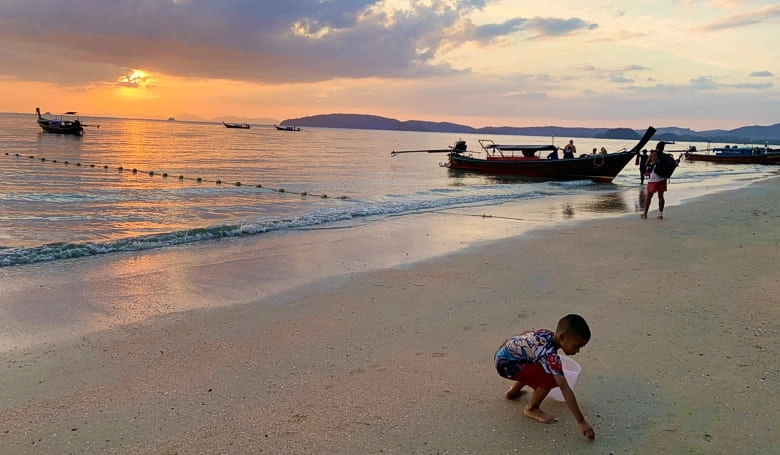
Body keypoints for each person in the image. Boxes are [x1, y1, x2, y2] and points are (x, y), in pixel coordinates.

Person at [494, 314, 595, 441]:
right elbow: (564, 388)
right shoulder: (550, 356)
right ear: (562, 337)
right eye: (576, 346)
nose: (578, 351)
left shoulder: (545, 334)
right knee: (551, 377)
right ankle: (532, 408)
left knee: (537, 365)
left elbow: (524, 334)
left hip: (502, 357)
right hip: (507, 367)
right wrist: (581, 421)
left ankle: (512, 392)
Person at [641, 146, 666, 219]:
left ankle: (645, 214)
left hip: (654, 178)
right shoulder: (664, 156)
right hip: (663, 178)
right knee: (661, 196)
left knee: (649, 196)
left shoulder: (653, 154)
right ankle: (660, 214)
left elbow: (646, 164)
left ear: (656, 147)